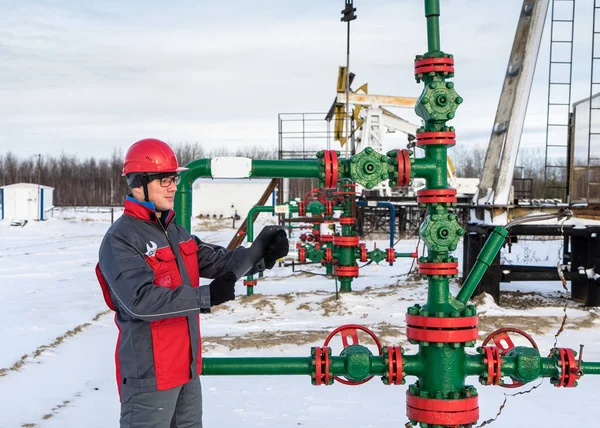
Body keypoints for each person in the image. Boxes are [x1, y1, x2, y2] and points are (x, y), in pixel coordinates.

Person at [95, 138, 288, 428]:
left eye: (173, 178)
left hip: (187, 370)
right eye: (164, 180)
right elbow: (140, 301)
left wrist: (261, 253)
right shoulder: (121, 239)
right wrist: (206, 296)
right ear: (138, 183)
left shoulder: (174, 231)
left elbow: (218, 261)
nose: (173, 186)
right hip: (150, 377)